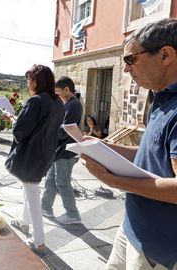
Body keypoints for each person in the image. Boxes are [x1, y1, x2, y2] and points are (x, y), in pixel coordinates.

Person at [82, 19, 177, 270]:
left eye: (130, 59)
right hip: (131, 229)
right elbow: (152, 154)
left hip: (157, 249)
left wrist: (114, 181)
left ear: (165, 55)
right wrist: (104, 148)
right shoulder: (162, 97)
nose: (126, 69)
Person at [2, 64, 65, 254]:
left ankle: (39, 240)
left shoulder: (36, 101)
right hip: (45, 154)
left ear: (36, 81)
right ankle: (24, 222)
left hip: (30, 155)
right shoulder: (58, 102)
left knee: (32, 195)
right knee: (30, 189)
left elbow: (20, 132)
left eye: (29, 80)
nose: (28, 84)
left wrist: (11, 118)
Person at [41, 76, 83, 225]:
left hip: (67, 152)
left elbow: (65, 131)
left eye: (58, 93)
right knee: (51, 180)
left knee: (62, 182)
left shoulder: (74, 106)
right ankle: (45, 208)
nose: (57, 95)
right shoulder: (67, 104)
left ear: (67, 89)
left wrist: (47, 132)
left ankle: (72, 214)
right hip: (59, 150)